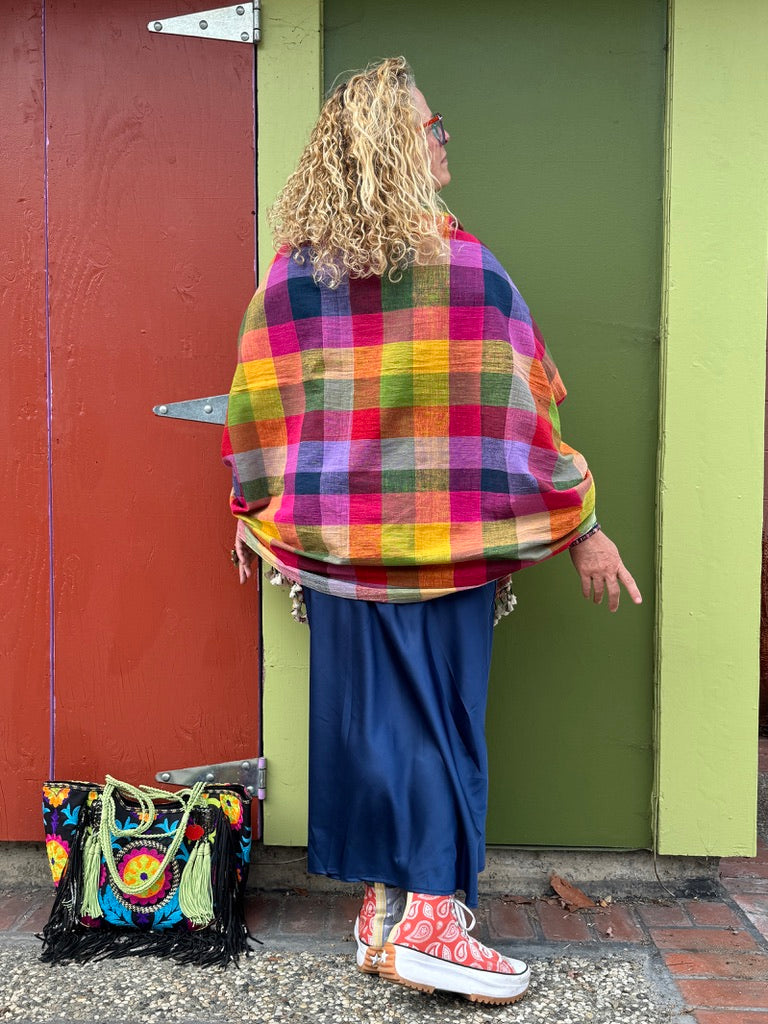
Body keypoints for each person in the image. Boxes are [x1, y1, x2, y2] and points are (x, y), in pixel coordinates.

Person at [222, 56, 642, 1006]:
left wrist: (255, 511)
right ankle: (433, 924)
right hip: (446, 552)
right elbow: (528, 423)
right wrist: (584, 528)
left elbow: (255, 410)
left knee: (371, 727)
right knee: (438, 728)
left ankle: (382, 914)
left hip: (333, 559)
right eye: (429, 125)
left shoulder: (293, 281)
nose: (443, 136)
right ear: (390, 151)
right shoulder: (468, 272)